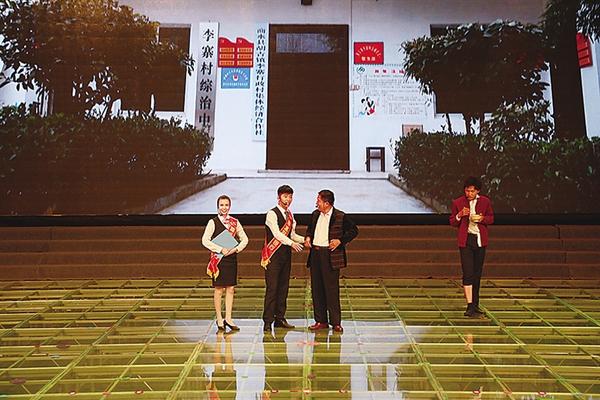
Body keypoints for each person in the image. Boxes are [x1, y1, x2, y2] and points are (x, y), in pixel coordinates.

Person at [304, 189, 358, 333]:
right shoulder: (315, 214)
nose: (317, 203)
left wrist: (340, 241)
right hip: (315, 255)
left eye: (319, 200)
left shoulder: (340, 216)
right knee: (317, 289)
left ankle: (335, 322)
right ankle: (321, 321)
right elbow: (310, 230)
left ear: (327, 203)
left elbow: (354, 231)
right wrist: (308, 238)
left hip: (330, 256)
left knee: (331, 290)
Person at [261, 185, 304, 332]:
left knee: (283, 288)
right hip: (273, 256)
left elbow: (292, 235)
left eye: (290, 197)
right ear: (278, 197)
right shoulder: (271, 214)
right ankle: (268, 321)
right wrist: (292, 243)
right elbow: (277, 234)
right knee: (272, 288)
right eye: (285, 196)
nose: (288, 200)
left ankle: (280, 318)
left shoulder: (290, 215)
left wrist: (305, 240)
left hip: (285, 255)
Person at [202, 195, 248, 331]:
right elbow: (205, 240)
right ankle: (219, 319)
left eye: (226, 205)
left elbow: (245, 239)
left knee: (231, 288)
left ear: (230, 206)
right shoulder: (213, 222)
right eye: (221, 205)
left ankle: (228, 318)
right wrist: (220, 249)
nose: (224, 207)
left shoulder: (235, 222)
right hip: (219, 259)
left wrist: (236, 249)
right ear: (218, 207)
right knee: (219, 289)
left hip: (231, 258)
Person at [450, 177, 494, 318]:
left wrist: (482, 219)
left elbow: (491, 218)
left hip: (480, 240)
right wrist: (459, 215)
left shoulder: (485, 201)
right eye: (467, 191)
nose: (469, 193)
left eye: (472, 191)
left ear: (477, 191)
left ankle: (475, 304)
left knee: (477, 274)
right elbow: (452, 221)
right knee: (468, 273)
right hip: (466, 241)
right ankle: (469, 306)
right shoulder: (458, 202)